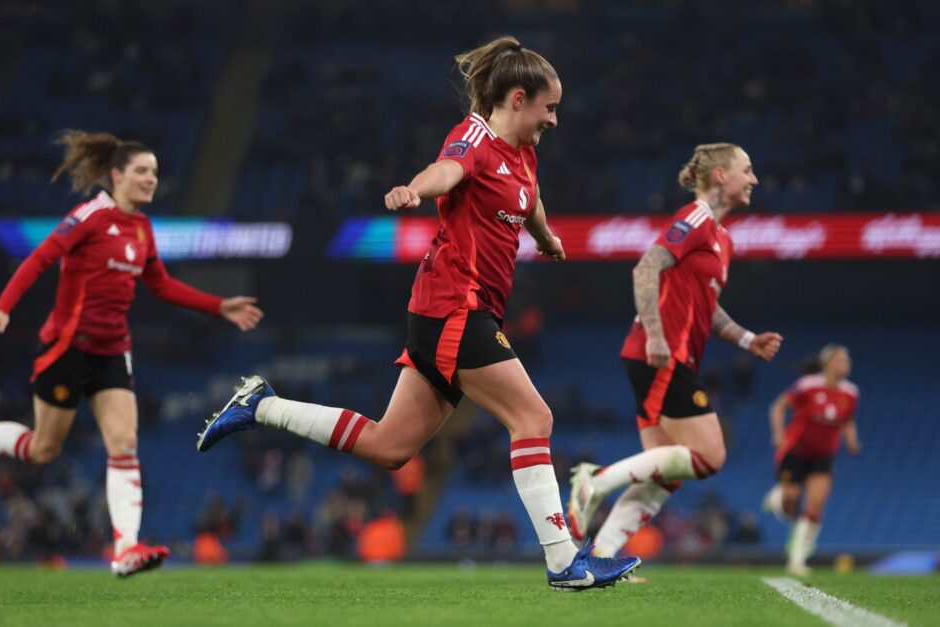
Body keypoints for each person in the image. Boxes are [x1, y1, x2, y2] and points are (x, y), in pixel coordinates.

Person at [197, 36, 640, 590]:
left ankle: (262, 406)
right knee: (535, 419)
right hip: (456, 305)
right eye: (549, 108)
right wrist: (413, 189)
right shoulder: (474, 135)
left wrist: (545, 236)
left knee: (390, 448)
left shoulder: (524, 150)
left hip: (456, 312)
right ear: (519, 98)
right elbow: (446, 172)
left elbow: (529, 196)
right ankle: (563, 561)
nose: (554, 119)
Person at [0, 130, 263, 577]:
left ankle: (125, 549)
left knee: (124, 442)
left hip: (112, 351)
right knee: (43, 448)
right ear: (116, 175)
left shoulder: (142, 228)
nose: (151, 179)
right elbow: (40, 258)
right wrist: (2, 309)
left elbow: (161, 284)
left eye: (155, 173)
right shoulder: (91, 215)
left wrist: (218, 305)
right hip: (67, 347)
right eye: (142, 171)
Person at [567, 143, 783, 563]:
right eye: (747, 169)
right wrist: (656, 335)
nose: (754, 179)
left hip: (664, 354)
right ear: (720, 175)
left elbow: (708, 305)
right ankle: (596, 480)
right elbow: (647, 267)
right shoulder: (696, 218)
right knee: (710, 456)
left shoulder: (723, 239)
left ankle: (603, 557)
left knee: (665, 473)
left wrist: (746, 339)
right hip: (662, 353)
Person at [762, 344, 860, 576]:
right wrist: (778, 434)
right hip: (796, 451)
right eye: (839, 359)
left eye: (847, 360)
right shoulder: (808, 386)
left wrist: (851, 440)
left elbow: (847, 419)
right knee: (790, 503)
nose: (845, 364)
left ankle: (798, 559)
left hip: (824, 455)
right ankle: (778, 497)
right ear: (827, 363)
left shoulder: (850, 392)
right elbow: (778, 407)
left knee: (815, 505)